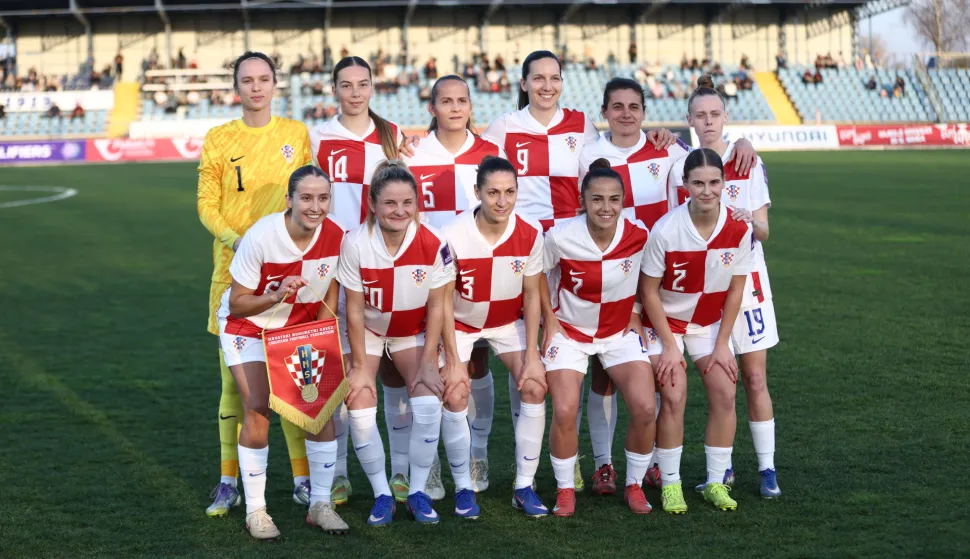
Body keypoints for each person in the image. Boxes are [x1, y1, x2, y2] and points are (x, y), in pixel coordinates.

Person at [309, 55, 445, 505]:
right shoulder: (319, 138)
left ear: (373, 88)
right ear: (333, 90)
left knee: (390, 376)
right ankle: (343, 472)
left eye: (362, 84)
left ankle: (404, 472)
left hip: (385, 263)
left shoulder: (392, 138)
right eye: (345, 85)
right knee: (348, 371)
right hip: (334, 267)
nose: (354, 92)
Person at [197, 51, 314, 517]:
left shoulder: (295, 134)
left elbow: (310, 196)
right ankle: (229, 481)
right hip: (232, 275)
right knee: (234, 385)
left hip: (288, 275)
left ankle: (304, 480)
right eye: (247, 80)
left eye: (264, 79)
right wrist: (238, 239)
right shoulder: (219, 138)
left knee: (293, 378)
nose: (256, 87)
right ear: (236, 86)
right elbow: (206, 204)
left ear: (275, 84)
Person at [219, 166, 348, 539]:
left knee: (320, 410)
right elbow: (238, 303)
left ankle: (320, 505)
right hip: (250, 328)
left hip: (299, 330)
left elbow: (331, 294)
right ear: (289, 200)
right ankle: (257, 511)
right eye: (306, 198)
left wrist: (319, 337)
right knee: (258, 406)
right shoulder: (262, 236)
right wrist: (276, 294)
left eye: (323, 198)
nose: (315, 206)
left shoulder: (336, 235)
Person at [678, 77, 781, 499]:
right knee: (721, 384)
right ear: (689, 119)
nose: (708, 122)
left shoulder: (746, 162)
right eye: (700, 115)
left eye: (715, 114)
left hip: (750, 283)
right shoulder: (678, 162)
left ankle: (767, 469)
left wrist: (745, 220)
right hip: (707, 289)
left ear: (726, 117)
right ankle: (723, 471)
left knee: (755, 378)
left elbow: (765, 231)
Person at [337, 161, 454, 526]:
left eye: (407, 202)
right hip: (368, 332)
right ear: (373, 204)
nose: (400, 211)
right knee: (359, 402)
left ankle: (416, 491)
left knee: (428, 400)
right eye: (390, 203)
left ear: (417, 202)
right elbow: (354, 312)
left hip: (410, 332)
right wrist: (359, 367)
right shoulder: (355, 243)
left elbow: (439, 304)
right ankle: (382, 494)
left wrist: (430, 360)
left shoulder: (435, 241)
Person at [403, 75, 504, 492]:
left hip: (479, 273)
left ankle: (476, 454)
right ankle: (428, 462)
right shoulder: (413, 154)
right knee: (427, 367)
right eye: (447, 101)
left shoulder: (490, 153)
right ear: (433, 108)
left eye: (463, 100)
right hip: (428, 275)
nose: (456, 108)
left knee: (475, 363)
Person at [541, 161, 659, 517]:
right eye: (596, 199)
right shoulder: (560, 236)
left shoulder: (638, 234)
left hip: (618, 333)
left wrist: (636, 311)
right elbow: (536, 279)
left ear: (623, 201)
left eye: (613, 199)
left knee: (645, 407)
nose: (605, 207)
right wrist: (549, 322)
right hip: (571, 333)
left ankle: (634, 484)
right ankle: (565, 490)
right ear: (583, 201)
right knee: (563, 410)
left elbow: (648, 279)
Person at [639, 148, 752, 514]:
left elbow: (735, 289)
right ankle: (671, 484)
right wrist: (670, 347)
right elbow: (649, 292)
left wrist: (723, 344)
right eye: (698, 183)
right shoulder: (666, 230)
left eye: (715, 182)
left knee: (725, 391)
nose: (707, 190)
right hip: (665, 324)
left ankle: (715, 482)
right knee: (673, 394)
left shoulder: (739, 229)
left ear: (725, 184)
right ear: (684, 185)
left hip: (707, 324)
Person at [440, 156, 550, 518]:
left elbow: (533, 294)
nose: (502, 201)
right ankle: (463, 488)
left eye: (509, 192)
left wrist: (532, 352)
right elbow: (440, 300)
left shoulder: (531, 232)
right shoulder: (452, 235)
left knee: (534, 385)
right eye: (493, 193)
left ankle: (524, 486)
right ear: (477, 192)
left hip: (507, 324)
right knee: (455, 391)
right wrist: (453, 360)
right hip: (460, 323)